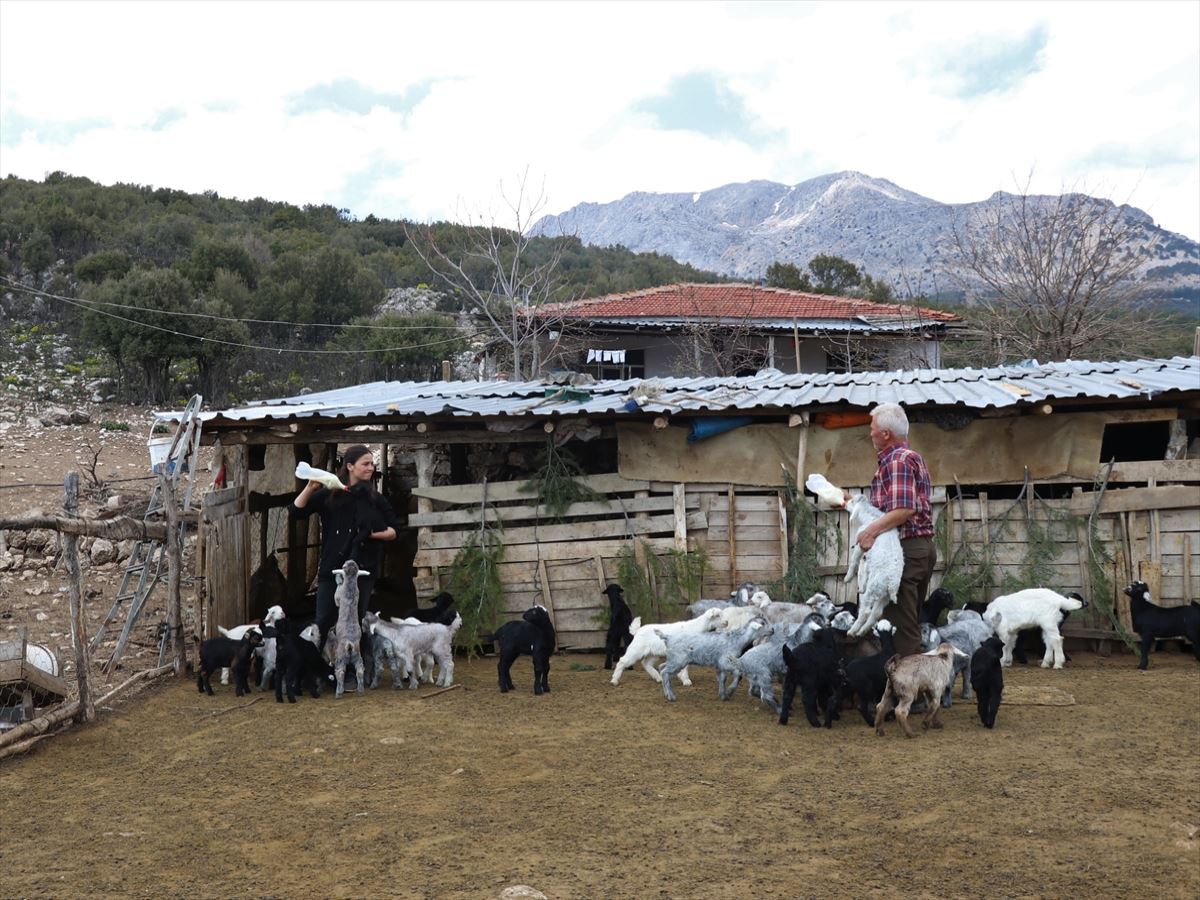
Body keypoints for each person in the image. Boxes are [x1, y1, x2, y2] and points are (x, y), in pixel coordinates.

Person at [290, 445, 400, 664]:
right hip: (331, 568)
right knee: (323, 620)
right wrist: (311, 487)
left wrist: (368, 535)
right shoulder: (330, 496)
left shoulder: (374, 499)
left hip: (362, 570)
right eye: (365, 464)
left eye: (372, 463)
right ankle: (315, 669)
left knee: (356, 621)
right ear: (350, 466)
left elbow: (393, 531)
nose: (371, 467)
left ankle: (354, 669)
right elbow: (296, 512)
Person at [850, 403, 935, 657]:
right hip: (921, 548)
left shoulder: (897, 461)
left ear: (886, 434)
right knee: (908, 621)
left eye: (873, 428)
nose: (870, 433)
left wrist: (870, 532)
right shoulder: (912, 457)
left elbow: (903, 509)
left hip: (905, 550)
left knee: (900, 628)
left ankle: (911, 693)